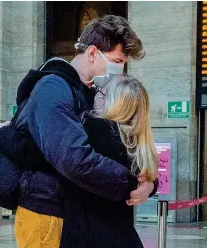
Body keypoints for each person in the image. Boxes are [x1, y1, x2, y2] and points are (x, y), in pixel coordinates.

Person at [0, 15, 157, 248]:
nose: (120, 70)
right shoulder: (54, 88)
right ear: (92, 53)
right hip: (47, 211)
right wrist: (130, 184)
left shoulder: (90, 93)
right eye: (117, 60)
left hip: (75, 214)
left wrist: (148, 183)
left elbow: (118, 148)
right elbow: (73, 158)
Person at [61, 75, 158, 247]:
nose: (96, 95)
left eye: (101, 92)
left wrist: (3, 134)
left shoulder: (92, 130)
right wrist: (151, 185)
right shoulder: (135, 140)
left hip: (87, 235)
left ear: (110, 101)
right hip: (124, 237)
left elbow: (42, 153)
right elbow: (140, 177)